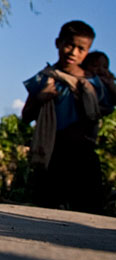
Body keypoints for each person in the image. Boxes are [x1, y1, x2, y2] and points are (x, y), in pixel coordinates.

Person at [21, 20, 105, 212]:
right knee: (46, 209)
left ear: (88, 50)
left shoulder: (93, 83)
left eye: (81, 49)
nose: (73, 52)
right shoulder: (44, 78)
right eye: (69, 45)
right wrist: (41, 98)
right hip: (52, 152)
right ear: (58, 43)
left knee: (88, 209)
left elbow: (103, 110)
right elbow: (26, 115)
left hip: (83, 153)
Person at [82, 50, 116, 116]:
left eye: (105, 67)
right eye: (95, 66)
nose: (101, 69)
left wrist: (110, 84)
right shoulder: (88, 80)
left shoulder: (107, 82)